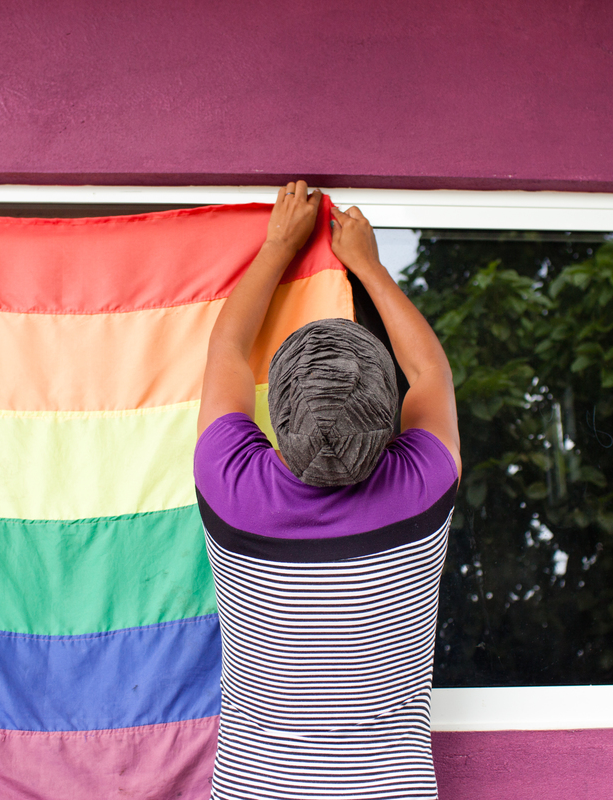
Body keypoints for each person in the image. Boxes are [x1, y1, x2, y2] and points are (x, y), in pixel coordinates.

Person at [193, 182, 461, 799]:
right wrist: (367, 265)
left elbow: (227, 349)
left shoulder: (234, 488)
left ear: (275, 421)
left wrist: (277, 248)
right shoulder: (420, 487)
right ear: (391, 414)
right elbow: (431, 372)